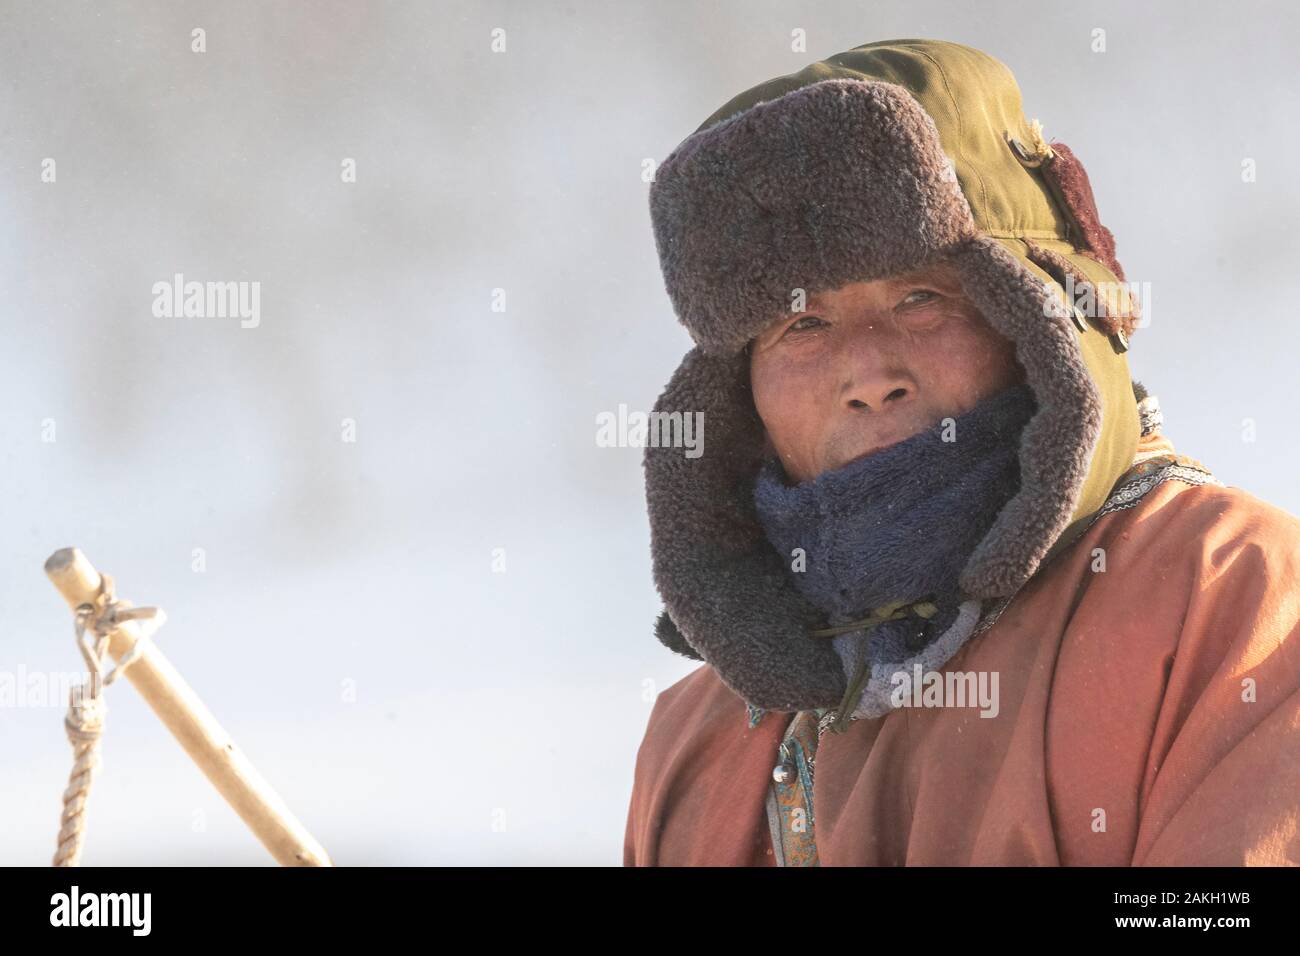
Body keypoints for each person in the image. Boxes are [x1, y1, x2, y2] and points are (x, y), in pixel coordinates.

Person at [624, 38, 1300, 866]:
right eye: (804, 324)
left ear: (1036, 321)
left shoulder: (1234, 596)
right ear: (741, 399)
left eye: (921, 299)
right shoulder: (698, 736)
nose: (869, 374)